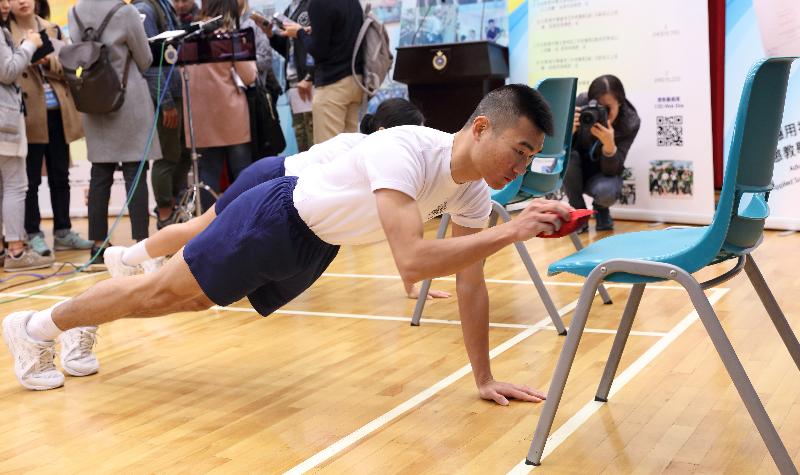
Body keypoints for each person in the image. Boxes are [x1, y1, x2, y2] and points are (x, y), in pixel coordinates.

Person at [3, 85, 573, 409]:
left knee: (183, 299)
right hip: (276, 216)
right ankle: (34, 327)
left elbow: (470, 284)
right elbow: (412, 262)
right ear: (479, 128)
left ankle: (81, 314)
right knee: (158, 292)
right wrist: (516, 229)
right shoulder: (409, 151)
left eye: (530, 158)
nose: (521, 166)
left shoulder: (471, 192)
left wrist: (483, 377)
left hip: (313, 245)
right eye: (518, 150)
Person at [105, 98, 446, 299]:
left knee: (200, 232)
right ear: (389, 132)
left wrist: (411, 285)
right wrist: (411, 283)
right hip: (272, 179)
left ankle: (133, 258)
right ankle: (125, 257)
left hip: (279, 186)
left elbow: (394, 225)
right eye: (411, 133)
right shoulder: (370, 149)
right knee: (198, 229)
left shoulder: (378, 152)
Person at [68, 0, 161, 262]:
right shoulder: (127, 11)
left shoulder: (74, 12)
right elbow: (145, 59)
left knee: (100, 175)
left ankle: (97, 246)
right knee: (135, 174)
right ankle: (140, 246)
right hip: (127, 98)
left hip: (93, 99)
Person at [10, 0, 93, 257]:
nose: (23, 2)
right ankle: (33, 233)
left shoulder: (53, 28)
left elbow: (70, 65)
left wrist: (48, 62)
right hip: (27, 114)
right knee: (30, 179)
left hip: (57, 111)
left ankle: (63, 232)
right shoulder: (5, 31)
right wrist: (26, 57)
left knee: (60, 175)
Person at [182, 0, 256, 211]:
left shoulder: (188, 36)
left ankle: (209, 228)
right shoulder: (229, 36)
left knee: (207, 176)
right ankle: (247, 219)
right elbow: (249, 76)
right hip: (231, 115)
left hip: (199, 117)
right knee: (243, 173)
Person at [0, 14, 53, 270]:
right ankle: (17, 252)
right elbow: (8, 72)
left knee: (4, 186)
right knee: (14, 185)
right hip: (3, 120)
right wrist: (29, 44)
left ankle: (4, 250)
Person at [133, 0, 191, 230]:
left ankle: (176, 204)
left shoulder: (163, 5)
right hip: (163, 95)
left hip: (176, 89)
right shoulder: (145, 9)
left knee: (185, 151)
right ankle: (165, 213)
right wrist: (165, 101)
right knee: (167, 155)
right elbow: (150, 61)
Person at [563, 74, 640, 232]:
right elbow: (561, 151)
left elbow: (613, 170)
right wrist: (568, 133)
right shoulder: (581, 106)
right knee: (568, 157)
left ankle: (601, 209)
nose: (601, 113)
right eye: (598, 107)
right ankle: (580, 213)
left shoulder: (630, 122)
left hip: (604, 175)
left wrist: (609, 145)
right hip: (577, 171)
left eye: (607, 109)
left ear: (620, 102)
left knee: (608, 192)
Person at [303, 0, 364, 144]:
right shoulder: (353, 2)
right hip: (356, 80)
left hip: (332, 85)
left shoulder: (319, 3)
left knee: (328, 155)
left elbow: (318, 51)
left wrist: (299, 34)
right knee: (351, 149)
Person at [262, 0, 314, 152]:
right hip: (293, 82)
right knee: (301, 134)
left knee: (313, 134)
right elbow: (287, 48)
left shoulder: (312, 5)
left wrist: (311, 76)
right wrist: (271, 35)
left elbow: (317, 43)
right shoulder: (289, 9)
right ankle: (303, 174)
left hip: (309, 80)